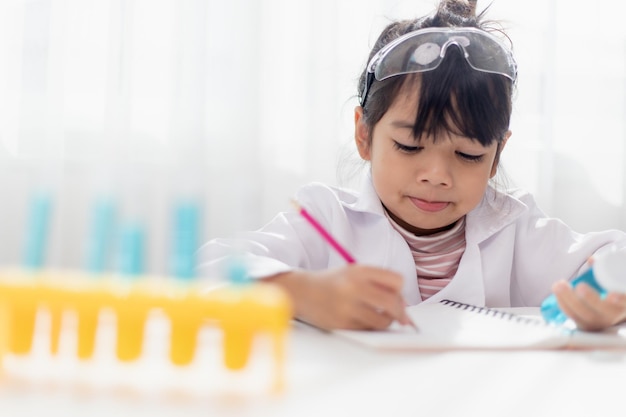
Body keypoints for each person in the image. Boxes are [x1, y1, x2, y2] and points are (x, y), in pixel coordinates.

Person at [197, 0, 626, 332]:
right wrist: (301, 294)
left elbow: (617, 257)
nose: (436, 174)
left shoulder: (515, 228)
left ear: (497, 155)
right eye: (408, 146)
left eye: (469, 155)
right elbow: (209, 269)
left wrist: (604, 295)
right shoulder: (326, 219)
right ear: (364, 135)